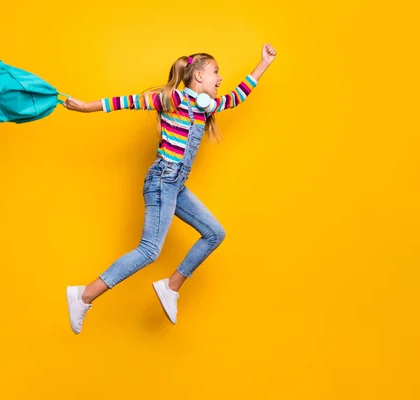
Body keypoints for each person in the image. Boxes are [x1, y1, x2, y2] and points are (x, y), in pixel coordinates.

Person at [63, 44, 277, 334]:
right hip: (163, 179)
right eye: (216, 72)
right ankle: (83, 296)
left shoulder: (206, 107)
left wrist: (263, 63)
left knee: (215, 233)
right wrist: (87, 106)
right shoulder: (174, 98)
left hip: (176, 185)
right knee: (150, 250)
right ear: (198, 77)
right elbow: (130, 101)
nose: (220, 78)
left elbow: (238, 96)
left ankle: (171, 286)